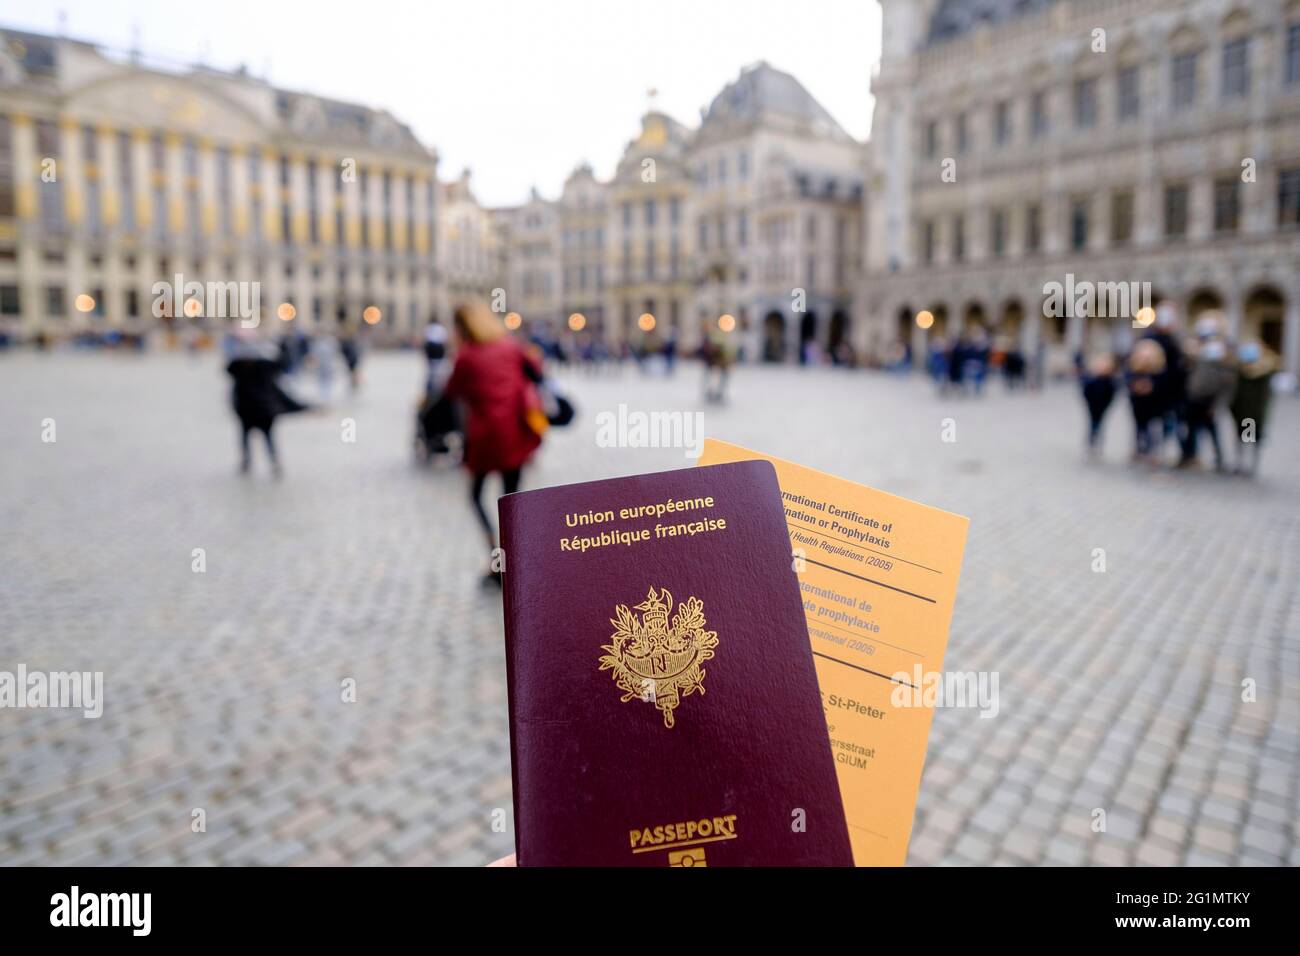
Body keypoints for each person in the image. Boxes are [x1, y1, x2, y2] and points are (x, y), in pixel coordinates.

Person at [444, 303, 544, 584]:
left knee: (476, 496)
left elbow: (452, 390)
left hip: (486, 436)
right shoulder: (511, 346)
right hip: (515, 431)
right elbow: (536, 371)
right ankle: (511, 560)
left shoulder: (467, 356)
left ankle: (497, 559)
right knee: (511, 501)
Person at [225, 333, 311, 478]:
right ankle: (254, 462)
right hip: (254, 412)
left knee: (264, 438)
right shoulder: (246, 369)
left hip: (259, 413)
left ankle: (266, 462)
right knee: (256, 438)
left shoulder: (251, 369)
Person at [1179, 314, 1236, 471]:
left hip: (1210, 399)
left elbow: (1227, 383)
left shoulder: (1223, 352)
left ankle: (1220, 460)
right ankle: (1188, 456)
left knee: (1213, 431)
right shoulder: (1196, 348)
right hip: (1193, 398)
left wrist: (1218, 404)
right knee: (1190, 430)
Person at [1227, 342, 1277, 477]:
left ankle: (1249, 467)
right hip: (1240, 413)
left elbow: (1263, 400)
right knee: (1241, 441)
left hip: (1253, 415)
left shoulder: (1263, 374)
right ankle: (1241, 465)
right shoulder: (1240, 371)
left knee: (1250, 441)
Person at [1126, 338, 1166, 463]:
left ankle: (1152, 452)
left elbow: (1164, 387)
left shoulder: (1159, 372)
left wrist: (1152, 387)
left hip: (1154, 408)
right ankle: (1140, 450)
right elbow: (1128, 383)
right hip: (1139, 407)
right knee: (1140, 429)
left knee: (1153, 430)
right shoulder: (1133, 371)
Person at [1080, 354, 1118, 457]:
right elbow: (1086, 391)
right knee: (1092, 424)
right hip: (1092, 406)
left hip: (1103, 406)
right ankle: (1091, 443)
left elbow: (1112, 394)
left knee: (1100, 425)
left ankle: (1097, 443)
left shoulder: (1110, 381)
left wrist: (1107, 404)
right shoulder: (1091, 379)